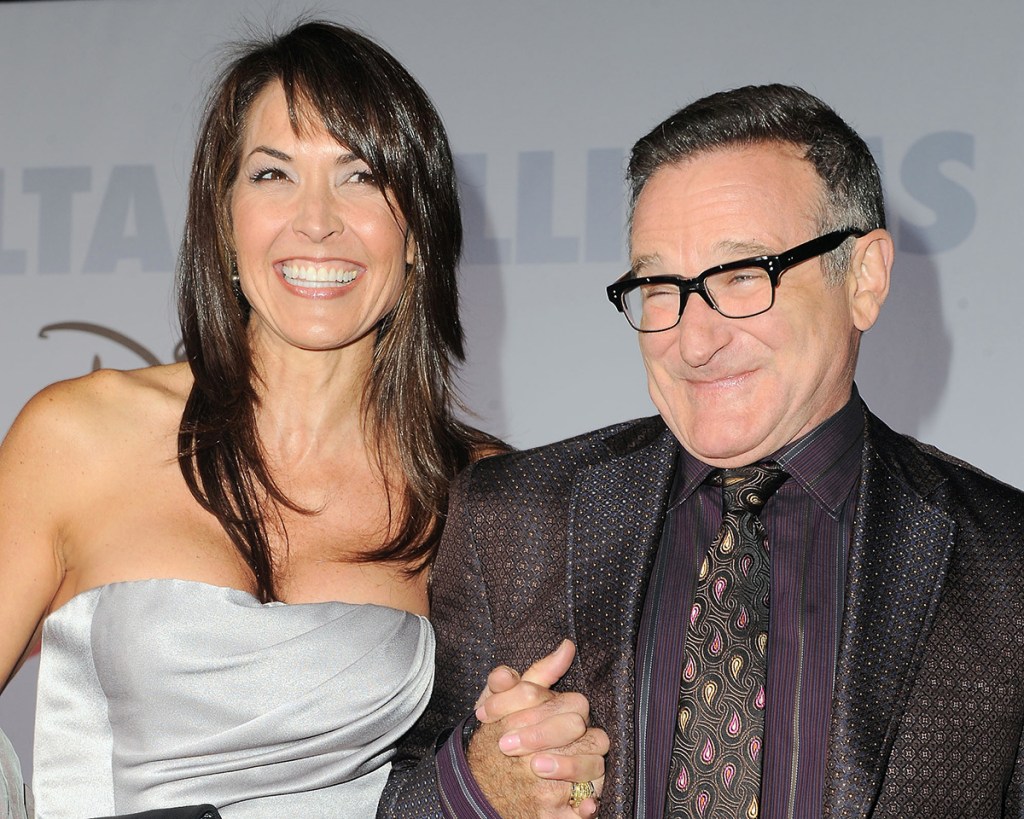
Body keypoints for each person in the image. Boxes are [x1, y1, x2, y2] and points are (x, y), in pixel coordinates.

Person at [0, 20, 602, 819]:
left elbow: (546, 768)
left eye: (359, 177)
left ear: (418, 229)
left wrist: (549, 755)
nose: (315, 220)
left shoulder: (482, 495)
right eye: (273, 173)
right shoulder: (77, 435)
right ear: (225, 217)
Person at [383, 84, 1024, 818]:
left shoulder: (1006, 563)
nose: (694, 340)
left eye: (744, 275)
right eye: (660, 286)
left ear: (866, 279)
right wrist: (478, 785)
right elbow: (398, 793)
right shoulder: (513, 516)